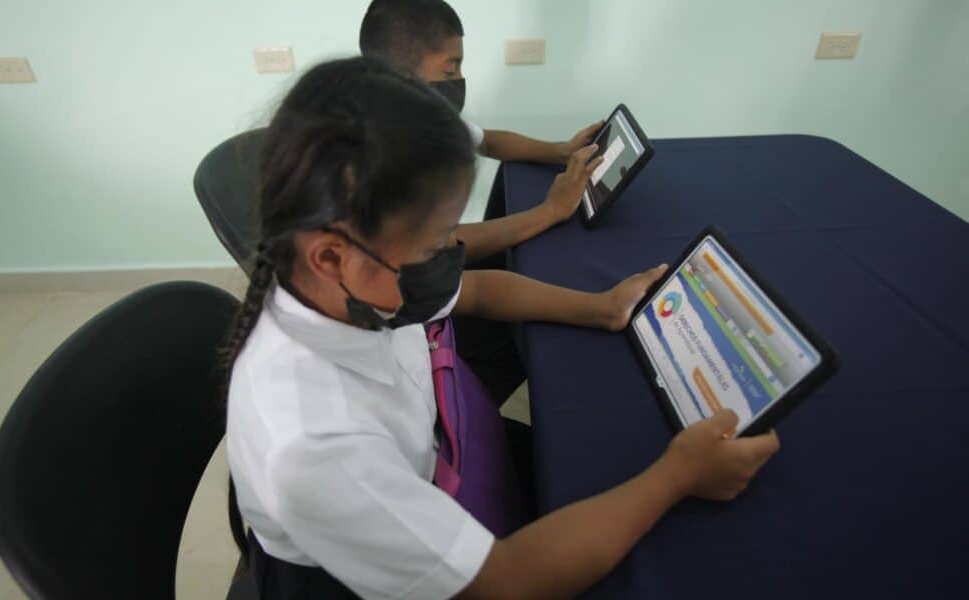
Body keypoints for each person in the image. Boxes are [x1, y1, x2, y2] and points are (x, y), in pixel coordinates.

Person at [225, 56, 780, 600]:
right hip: (360, 568)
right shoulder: (317, 448)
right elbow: (507, 580)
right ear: (330, 257)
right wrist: (678, 477)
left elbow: (479, 290)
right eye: (435, 241)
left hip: (437, 455)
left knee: (593, 457)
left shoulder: (346, 286)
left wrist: (603, 306)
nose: (453, 252)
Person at [360, 0, 605, 401]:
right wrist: (549, 212)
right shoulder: (392, 164)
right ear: (400, 76)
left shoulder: (417, 113)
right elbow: (468, 275)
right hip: (411, 345)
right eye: (450, 67)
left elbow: (487, 139)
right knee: (532, 337)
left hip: (427, 293)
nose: (460, 79)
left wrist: (559, 151)